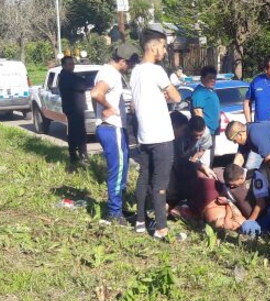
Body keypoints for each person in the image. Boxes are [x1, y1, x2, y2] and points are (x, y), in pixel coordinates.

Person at [130, 27, 182, 240]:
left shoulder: (135, 71)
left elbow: (136, 103)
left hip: (144, 135)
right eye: (163, 47)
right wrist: (166, 95)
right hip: (161, 136)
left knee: (144, 178)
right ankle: (161, 227)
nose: (165, 51)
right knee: (160, 183)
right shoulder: (156, 71)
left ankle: (140, 221)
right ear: (153, 47)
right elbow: (177, 97)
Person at [90, 43, 141, 226]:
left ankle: (118, 208)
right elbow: (96, 93)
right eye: (129, 65)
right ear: (121, 61)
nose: (129, 68)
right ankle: (113, 213)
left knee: (122, 169)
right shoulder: (110, 73)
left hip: (112, 129)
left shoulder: (107, 72)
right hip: (111, 128)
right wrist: (108, 107)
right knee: (117, 172)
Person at [57, 55, 89, 166]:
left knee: (73, 132)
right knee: (79, 133)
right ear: (64, 65)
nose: (72, 66)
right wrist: (84, 80)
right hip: (74, 108)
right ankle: (82, 155)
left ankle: (74, 155)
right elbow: (83, 85)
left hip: (74, 108)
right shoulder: (66, 76)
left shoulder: (69, 75)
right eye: (69, 64)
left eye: (73, 63)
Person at [191, 65, 220, 137]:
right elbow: (198, 112)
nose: (213, 80)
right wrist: (203, 131)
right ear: (202, 79)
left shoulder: (211, 91)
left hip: (213, 131)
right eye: (210, 78)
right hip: (206, 132)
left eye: (214, 78)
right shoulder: (199, 92)